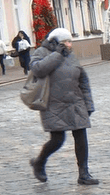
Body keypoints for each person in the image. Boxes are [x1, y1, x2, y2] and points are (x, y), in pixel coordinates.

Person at [28, 27, 98, 185]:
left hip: (75, 102)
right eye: (66, 41)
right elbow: (37, 70)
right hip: (53, 104)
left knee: (81, 136)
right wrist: (57, 54)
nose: (69, 44)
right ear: (56, 42)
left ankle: (84, 173)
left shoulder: (70, 55)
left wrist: (88, 103)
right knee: (57, 140)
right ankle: (39, 161)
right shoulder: (42, 52)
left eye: (70, 41)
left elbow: (83, 80)